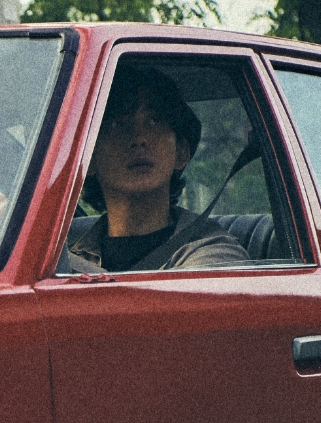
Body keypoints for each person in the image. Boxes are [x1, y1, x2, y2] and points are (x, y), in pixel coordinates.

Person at [59, 65, 247, 273]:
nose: (139, 139)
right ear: (89, 159)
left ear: (182, 152)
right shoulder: (63, 257)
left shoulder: (213, 253)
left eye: (154, 121)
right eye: (117, 125)